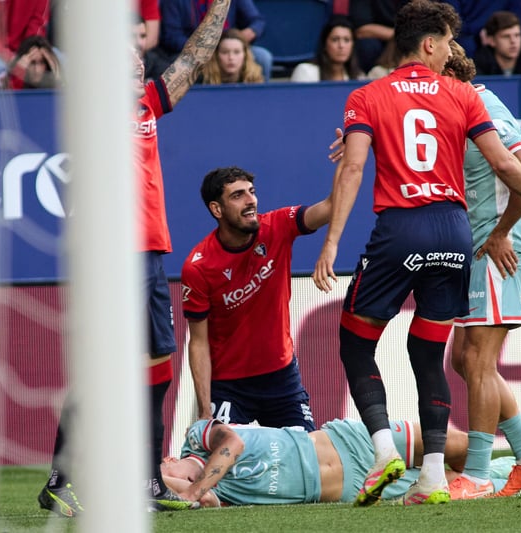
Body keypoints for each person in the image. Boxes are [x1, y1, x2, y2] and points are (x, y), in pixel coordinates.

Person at [312, 0, 521, 507]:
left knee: (356, 343)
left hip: (402, 229)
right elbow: (504, 162)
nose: (449, 51)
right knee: (432, 354)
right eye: (445, 42)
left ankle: (384, 453)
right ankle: (435, 478)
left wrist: (331, 242)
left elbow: (353, 169)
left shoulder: (368, 94)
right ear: (428, 43)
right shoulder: (461, 94)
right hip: (455, 233)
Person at [37, 0, 233, 518]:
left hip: (149, 257)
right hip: (114, 258)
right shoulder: (95, 111)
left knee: (157, 371)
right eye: (124, 56)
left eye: (139, 55)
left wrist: (220, 6)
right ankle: (59, 480)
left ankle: (148, 482)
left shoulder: (146, 103)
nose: (137, 61)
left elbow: (193, 59)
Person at [439, 41, 521, 500]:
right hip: (480, 243)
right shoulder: (470, 103)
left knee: (478, 361)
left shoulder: (481, 105)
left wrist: (504, 231)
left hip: (497, 245)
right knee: (462, 361)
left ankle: (479, 474)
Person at [180, 165, 332, 430]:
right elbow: (199, 343)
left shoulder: (278, 225)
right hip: (229, 386)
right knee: (220, 452)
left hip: (282, 378)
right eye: (237, 195)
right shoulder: (198, 266)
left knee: (309, 451)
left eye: (251, 192)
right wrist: (204, 412)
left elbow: (330, 207)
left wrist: (350, 163)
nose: (250, 200)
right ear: (217, 209)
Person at [160, 418, 521, 506]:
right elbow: (191, 499)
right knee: (451, 494)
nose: (166, 482)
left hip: (352, 441)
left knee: (456, 445)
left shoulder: (198, 435)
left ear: (168, 457)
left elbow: (232, 442)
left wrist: (191, 487)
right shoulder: (213, 497)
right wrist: (181, 491)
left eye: (160, 473)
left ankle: (504, 465)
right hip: (351, 489)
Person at [155, 0, 273, 81]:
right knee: (178, 65)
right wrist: (203, 50)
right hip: (192, 51)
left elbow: (257, 21)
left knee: (263, 57)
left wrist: (249, 32)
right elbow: (172, 36)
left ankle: (261, 98)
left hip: (227, 46)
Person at [0, 0, 52, 88]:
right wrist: (11, 58)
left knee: (60, 59)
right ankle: (3, 90)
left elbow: (37, 24)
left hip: (27, 51)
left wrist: (27, 54)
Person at [440, 0, 521, 59]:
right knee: (464, 46)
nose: (513, 41)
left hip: (500, 30)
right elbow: (451, 20)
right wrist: (481, 31)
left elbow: (517, 17)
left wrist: (495, 31)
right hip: (466, 35)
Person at [291, 15, 364, 82]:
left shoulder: (359, 77)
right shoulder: (306, 71)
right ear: (324, 44)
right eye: (335, 40)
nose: (341, 46)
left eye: (346, 40)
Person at [473, 11, 521, 76]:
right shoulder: (479, 65)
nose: (513, 41)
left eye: (517, 35)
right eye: (506, 36)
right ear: (492, 41)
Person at [349, 0, 408, 74]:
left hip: (405, 39)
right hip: (378, 43)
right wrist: (401, 34)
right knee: (368, 45)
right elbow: (361, 30)